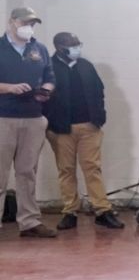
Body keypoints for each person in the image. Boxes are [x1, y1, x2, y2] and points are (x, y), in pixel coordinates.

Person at [43, 31, 124, 230]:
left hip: (89, 127)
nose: (77, 48)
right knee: (66, 170)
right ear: (60, 48)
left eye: (78, 44)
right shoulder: (48, 68)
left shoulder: (86, 66)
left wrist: (99, 118)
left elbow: (99, 92)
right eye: (73, 45)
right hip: (61, 129)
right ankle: (70, 212)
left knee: (92, 169)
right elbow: (43, 97)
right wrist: (50, 122)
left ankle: (102, 210)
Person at [0, 7, 57, 238]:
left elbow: (50, 77)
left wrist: (46, 90)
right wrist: (8, 88)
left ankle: (29, 221)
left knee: (27, 172)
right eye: (26, 23)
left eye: (33, 24)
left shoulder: (39, 49)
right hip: (4, 117)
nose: (29, 28)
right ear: (12, 22)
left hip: (34, 118)